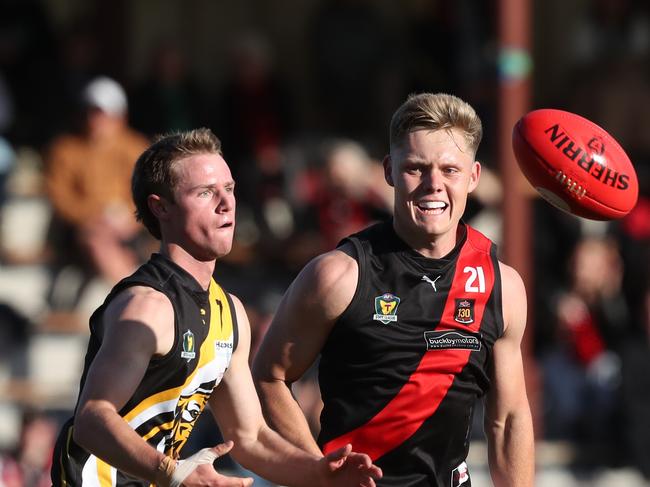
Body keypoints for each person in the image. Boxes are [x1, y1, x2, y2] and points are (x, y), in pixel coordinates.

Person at [50, 128, 382, 487]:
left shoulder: (229, 310)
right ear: (160, 207)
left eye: (230, 188)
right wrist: (173, 472)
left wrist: (319, 472)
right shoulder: (147, 307)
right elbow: (91, 418)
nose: (226, 203)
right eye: (206, 192)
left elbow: (250, 436)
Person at [253, 93, 535, 486]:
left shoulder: (500, 284)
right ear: (388, 171)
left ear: (473, 177)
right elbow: (268, 374)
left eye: (450, 170)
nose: (434, 185)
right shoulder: (340, 274)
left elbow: (507, 420)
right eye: (416, 169)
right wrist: (319, 472)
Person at [45, 76, 150, 287]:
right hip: (79, 230)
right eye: (92, 112)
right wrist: (93, 217)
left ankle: (131, 290)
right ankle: (131, 291)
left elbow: (146, 191)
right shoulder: (65, 149)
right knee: (97, 241)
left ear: (120, 117)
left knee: (105, 243)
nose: (97, 120)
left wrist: (129, 219)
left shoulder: (135, 147)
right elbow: (60, 196)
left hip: (127, 227)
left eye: (104, 114)